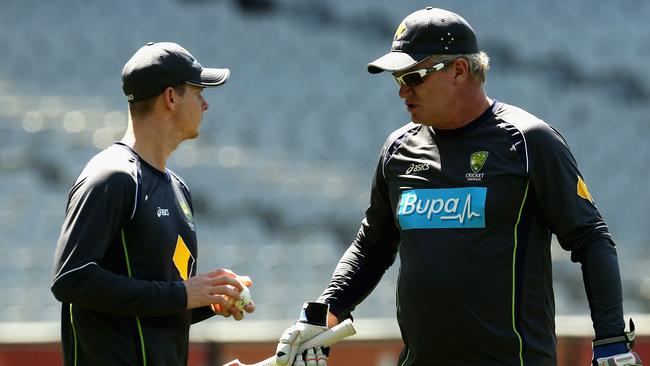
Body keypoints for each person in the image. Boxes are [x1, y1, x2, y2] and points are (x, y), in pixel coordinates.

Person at [274, 7, 642, 366]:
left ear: (460, 70)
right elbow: (371, 247)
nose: (403, 91)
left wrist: (610, 339)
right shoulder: (398, 150)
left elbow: (590, 238)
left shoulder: (528, 142)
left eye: (413, 77)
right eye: (397, 79)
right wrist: (322, 313)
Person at [51, 42, 255, 366]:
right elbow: (72, 277)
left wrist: (207, 299)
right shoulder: (113, 176)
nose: (205, 104)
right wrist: (186, 294)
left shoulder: (178, 189)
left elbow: (150, 305)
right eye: (198, 91)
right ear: (171, 97)